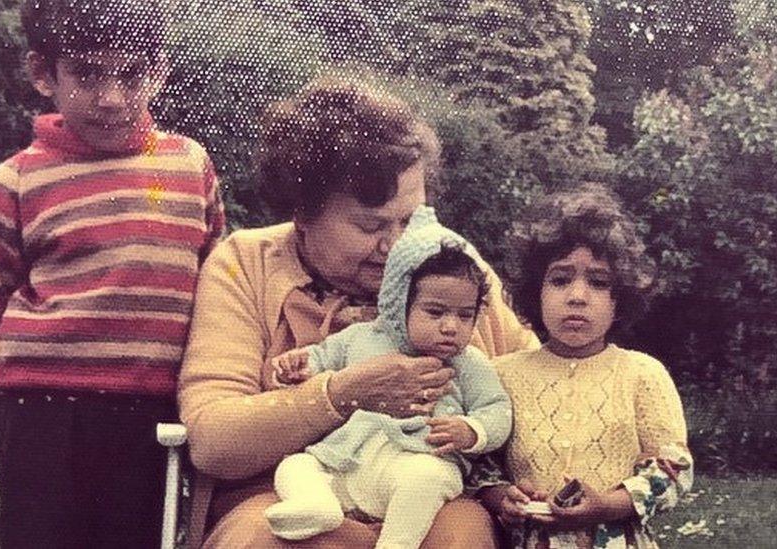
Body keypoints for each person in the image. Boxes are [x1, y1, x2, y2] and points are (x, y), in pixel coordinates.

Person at [178, 77, 538, 548]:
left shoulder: (452, 264)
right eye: (369, 225)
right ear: (302, 213)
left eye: (410, 220)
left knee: (461, 535)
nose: (396, 245)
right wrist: (339, 394)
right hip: (287, 495)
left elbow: (533, 381)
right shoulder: (245, 264)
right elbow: (212, 441)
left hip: (427, 496)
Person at [0, 0, 225, 546]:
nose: (110, 98)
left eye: (131, 75)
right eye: (86, 74)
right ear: (44, 74)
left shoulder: (189, 166)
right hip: (42, 411)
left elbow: (215, 283)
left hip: (150, 412)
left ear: (159, 72)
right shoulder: (15, 180)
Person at [264, 206, 513, 549]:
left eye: (465, 315)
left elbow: (497, 409)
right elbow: (323, 357)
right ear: (399, 303)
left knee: (429, 479)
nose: (451, 326)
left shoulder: (469, 363)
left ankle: (396, 544)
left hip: (416, 461)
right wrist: (301, 365)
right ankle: (316, 506)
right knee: (295, 467)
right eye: (436, 312)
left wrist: (472, 431)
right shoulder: (362, 337)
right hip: (347, 460)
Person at [480, 183, 693, 548]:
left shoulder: (642, 373)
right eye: (560, 280)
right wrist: (502, 497)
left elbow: (673, 468)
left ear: (618, 300)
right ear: (536, 291)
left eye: (598, 282)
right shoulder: (501, 374)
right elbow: (478, 466)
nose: (577, 296)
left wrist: (609, 505)